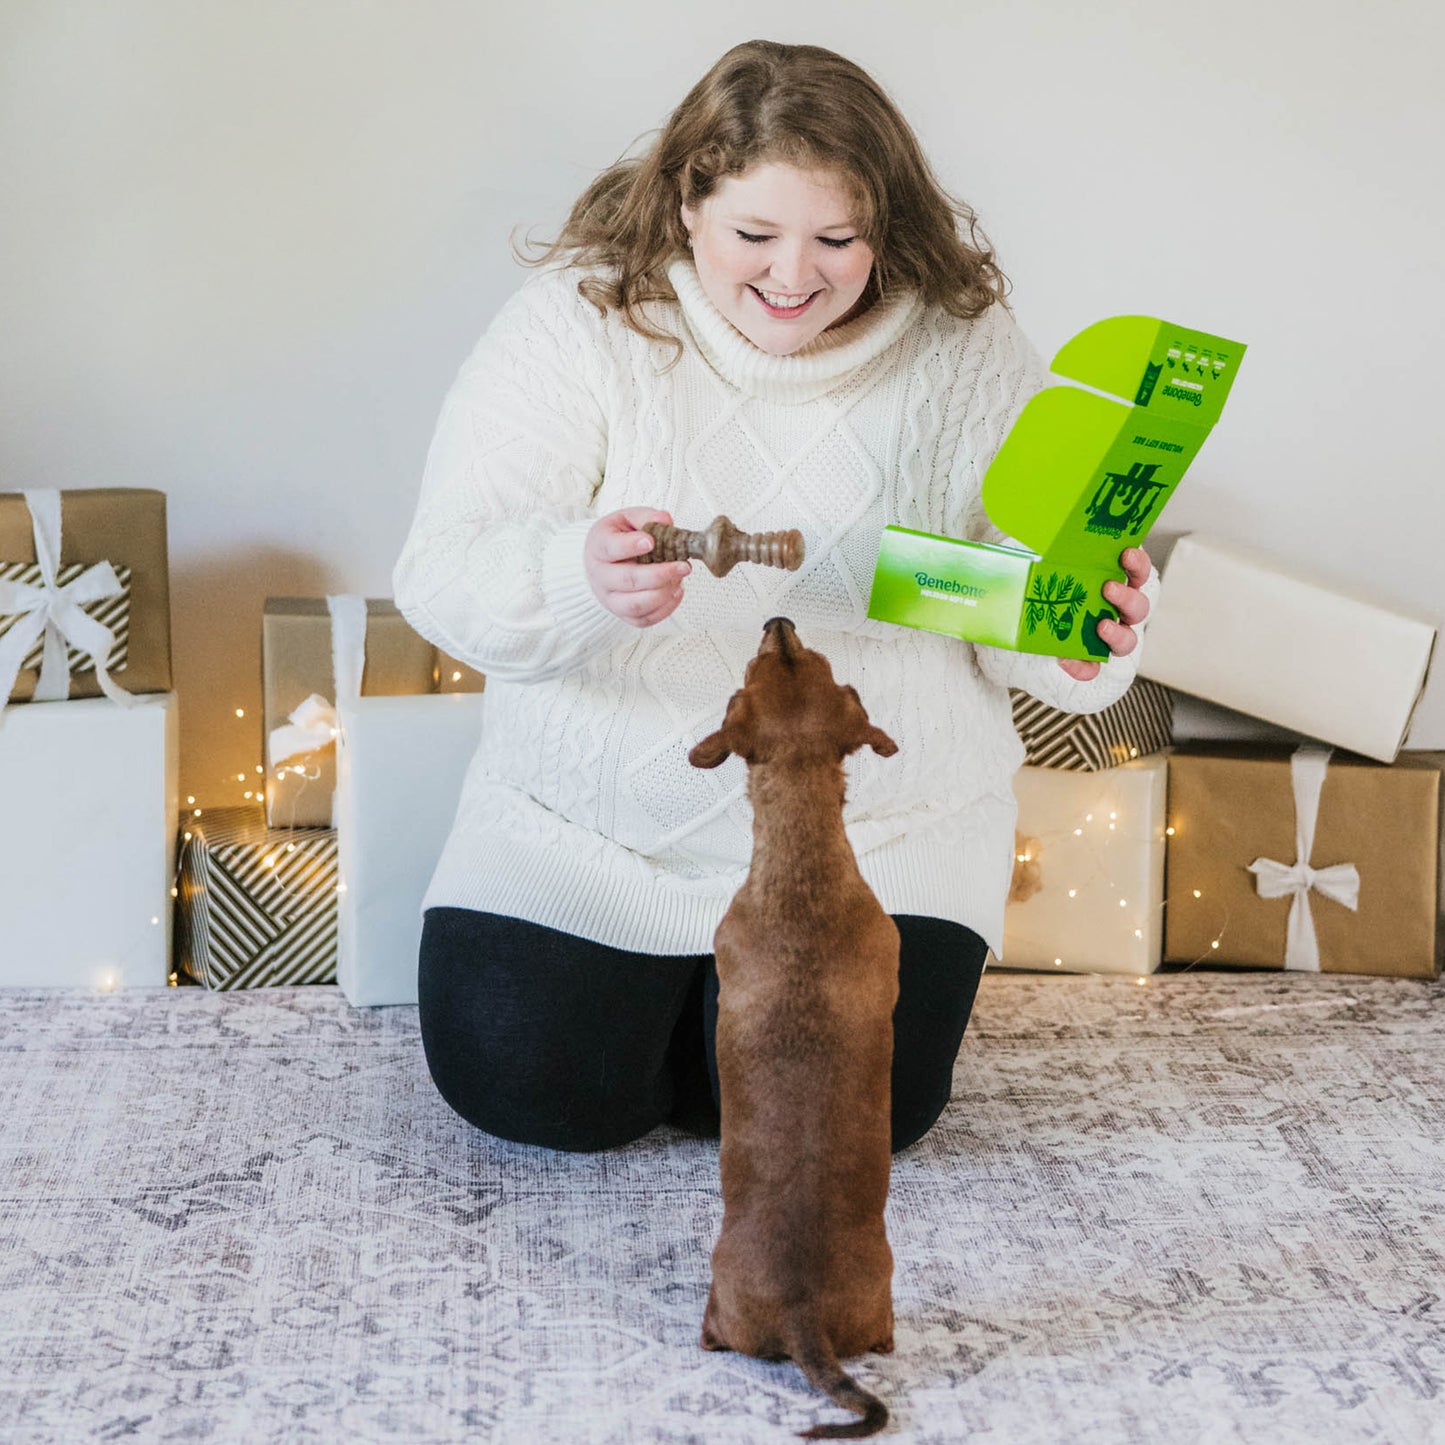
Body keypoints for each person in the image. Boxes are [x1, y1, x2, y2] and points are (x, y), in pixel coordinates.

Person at [392, 39, 1156, 1155]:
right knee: (532, 1087)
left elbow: (1027, 615)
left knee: (843, 1119)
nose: (793, 275)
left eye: (836, 240)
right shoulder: (578, 319)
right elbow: (444, 567)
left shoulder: (965, 349)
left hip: (876, 837)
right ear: (687, 200)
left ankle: (715, 1023)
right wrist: (576, 577)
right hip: (593, 824)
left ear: (883, 227)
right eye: (755, 235)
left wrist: (1084, 643)